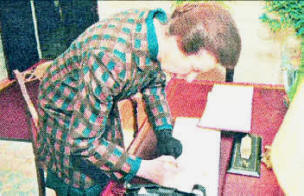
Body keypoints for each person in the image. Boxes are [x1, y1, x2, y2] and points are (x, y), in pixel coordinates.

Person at [37, 2, 241, 195]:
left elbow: (153, 82)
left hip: (96, 99)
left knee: (113, 171)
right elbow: (83, 143)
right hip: (65, 112)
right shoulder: (110, 58)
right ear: (179, 42)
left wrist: (164, 132)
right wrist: (146, 168)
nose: (190, 79)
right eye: (194, 69)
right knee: (86, 184)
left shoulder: (160, 33)